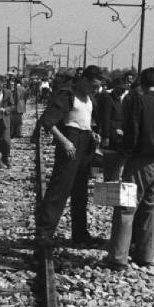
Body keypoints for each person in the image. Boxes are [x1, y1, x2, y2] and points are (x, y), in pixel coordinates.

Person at [105, 67, 154, 270]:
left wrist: (125, 151)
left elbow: (133, 131)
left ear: (142, 83)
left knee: (126, 209)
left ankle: (118, 257)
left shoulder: (138, 101)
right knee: (151, 210)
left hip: (140, 161)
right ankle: (145, 256)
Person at [35, 65, 103, 246]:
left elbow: (89, 120)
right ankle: (44, 233)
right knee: (60, 188)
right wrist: (64, 141)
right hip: (71, 140)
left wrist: (93, 133)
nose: (94, 90)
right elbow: (48, 121)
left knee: (80, 192)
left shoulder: (89, 99)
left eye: (97, 87)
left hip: (86, 141)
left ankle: (80, 234)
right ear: (83, 80)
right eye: (92, 86)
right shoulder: (67, 94)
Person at [97, 77, 128, 181]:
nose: (123, 91)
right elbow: (106, 119)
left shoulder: (119, 100)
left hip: (118, 137)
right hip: (111, 137)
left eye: (124, 89)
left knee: (116, 167)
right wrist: (106, 136)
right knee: (110, 166)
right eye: (121, 88)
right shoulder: (108, 99)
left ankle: (112, 182)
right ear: (115, 88)